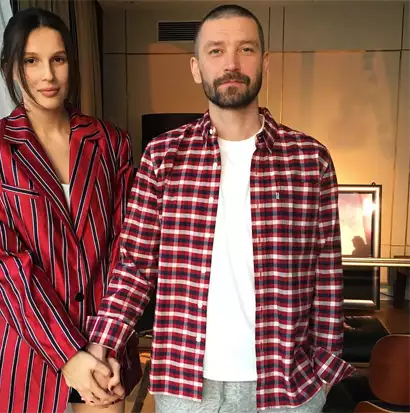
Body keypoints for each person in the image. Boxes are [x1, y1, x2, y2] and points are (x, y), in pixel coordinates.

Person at [84, 4, 355, 413]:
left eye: (245, 49)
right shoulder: (163, 156)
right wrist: (102, 345)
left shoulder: (309, 159)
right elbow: (135, 265)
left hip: (288, 389)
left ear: (265, 62)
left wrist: (325, 372)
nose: (231, 63)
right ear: (196, 68)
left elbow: (327, 275)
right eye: (216, 51)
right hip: (186, 385)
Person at [0, 8, 141, 413]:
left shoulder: (111, 142)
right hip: (24, 352)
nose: (48, 75)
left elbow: (126, 248)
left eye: (58, 59)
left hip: (103, 351)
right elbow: (4, 262)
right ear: (10, 67)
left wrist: (104, 342)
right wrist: (67, 354)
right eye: (31, 60)